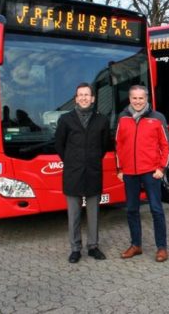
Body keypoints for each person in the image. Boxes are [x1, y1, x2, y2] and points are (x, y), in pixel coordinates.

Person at [55, 82, 110, 263]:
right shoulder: (66, 120)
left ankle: (93, 247)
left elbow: (104, 146)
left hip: (93, 172)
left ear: (93, 98)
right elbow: (59, 146)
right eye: (81, 95)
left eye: (87, 95)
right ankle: (75, 249)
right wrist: (72, 161)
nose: (84, 98)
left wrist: (91, 160)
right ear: (76, 98)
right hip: (73, 173)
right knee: (74, 215)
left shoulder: (102, 120)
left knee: (93, 214)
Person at [115, 84, 169, 262]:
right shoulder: (122, 118)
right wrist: (120, 169)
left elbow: (166, 145)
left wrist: (161, 168)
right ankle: (136, 245)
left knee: (156, 209)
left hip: (151, 172)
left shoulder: (157, 118)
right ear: (130, 99)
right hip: (129, 172)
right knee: (132, 210)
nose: (138, 101)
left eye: (141, 98)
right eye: (134, 98)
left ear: (147, 98)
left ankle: (161, 248)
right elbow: (118, 145)